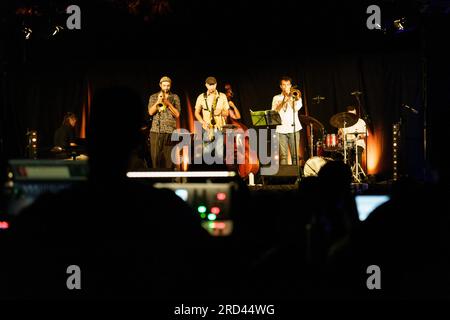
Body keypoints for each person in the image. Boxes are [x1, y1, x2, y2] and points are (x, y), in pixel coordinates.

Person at [147, 76, 181, 169]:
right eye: (164, 85)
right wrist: (158, 101)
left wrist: (168, 103)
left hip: (170, 132)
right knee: (155, 159)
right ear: (160, 85)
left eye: (168, 86)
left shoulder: (174, 97)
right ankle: (155, 180)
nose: (166, 87)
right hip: (155, 131)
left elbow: (177, 114)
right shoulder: (153, 97)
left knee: (169, 161)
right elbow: (150, 112)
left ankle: (168, 180)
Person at [194, 76, 229, 161]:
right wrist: (202, 122)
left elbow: (227, 113)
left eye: (213, 85)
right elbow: (196, 113)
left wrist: (220, 112)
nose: (211, 87)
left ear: (216, 84)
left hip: (219, 128)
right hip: (207, 129)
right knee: (207, 156)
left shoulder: (222, 96)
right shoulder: (201, 97)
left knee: (219, 156)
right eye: (209, 85)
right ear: (206, 85)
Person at [272, 76, 303, 165]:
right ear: (281, 86)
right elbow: (275, 111)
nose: (286, 87)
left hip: (294, 129)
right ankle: (285, 178)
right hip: (281, 129)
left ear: (291, 86)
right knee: (283, 156)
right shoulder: (276, 98)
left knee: (295, 156)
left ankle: (296, 177)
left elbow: (296, 108)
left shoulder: (296, 96)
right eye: (284, 85)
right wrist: (284, 101)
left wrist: (289, 98)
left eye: (288, 85)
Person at [338, 105, 367, 171]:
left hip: (358, 143)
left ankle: (358, 172)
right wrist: (340, 133)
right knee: (339, 153)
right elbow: (341, 136)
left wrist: (357, 137)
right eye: (351, 114)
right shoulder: (344, 123)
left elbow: (364, 134)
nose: (353, 116)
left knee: (357, 151)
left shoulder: (361, 122)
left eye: (354, 114)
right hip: (347, 144)